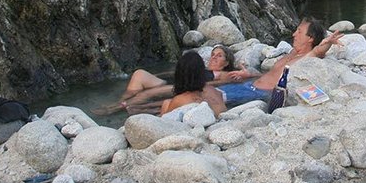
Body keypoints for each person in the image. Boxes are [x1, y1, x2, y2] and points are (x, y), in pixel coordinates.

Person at [93, 44, 253, 116]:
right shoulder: (201, 68)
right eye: (213, 54)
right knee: (139, 74)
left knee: (149, 93)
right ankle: (121, 101)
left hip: (187, 86)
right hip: (176, 81)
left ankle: (117, 108)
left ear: (226, 63)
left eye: (219, 56)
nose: (214, 57)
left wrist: (246, 74)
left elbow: (248, 76)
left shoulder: (225, 74)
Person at [217, 18, 342, 108]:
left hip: (258, 94)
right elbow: (272, 75)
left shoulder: (307, 57)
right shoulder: (292, 53)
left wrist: (328, 42)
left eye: (299, 31)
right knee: (206, 91)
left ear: (310, 38)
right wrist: (249, 75)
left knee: (209, 97)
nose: (294, 34)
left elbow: (319, 51)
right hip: (248, 85)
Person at [160, 52, 227, 116]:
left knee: (166, 103)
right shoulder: (216, 92)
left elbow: (166, 122)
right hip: (221, 123)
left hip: (200, 126)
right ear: (202, 73)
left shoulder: (180, 100)